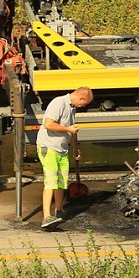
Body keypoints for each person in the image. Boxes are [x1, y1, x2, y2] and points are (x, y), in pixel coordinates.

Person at [36, 86, 94, 228]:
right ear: (81, 98)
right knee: (51, 181)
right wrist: (67, 129)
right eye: (84, 103)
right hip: (49, 147)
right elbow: (48, 124)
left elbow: (72, 131)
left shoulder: (72, 108)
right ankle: (46, 217)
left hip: (62, 150)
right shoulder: (59, 103)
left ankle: (59, 209)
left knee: (62, 181)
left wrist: (74, 149)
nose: (83, 106)